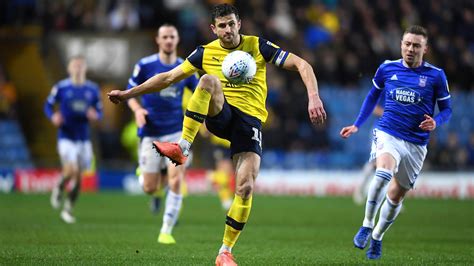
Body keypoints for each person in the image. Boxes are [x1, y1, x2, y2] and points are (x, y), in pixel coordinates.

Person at [108, 4, 326, 265]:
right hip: (221, 114)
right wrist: (127, 94)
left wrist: (313, 97)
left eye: (232, 24)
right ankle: (183, 147)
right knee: (208, 81)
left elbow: (302, 64)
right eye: (222, 25)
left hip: (250, 121)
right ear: (214, 29)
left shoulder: (257, 46)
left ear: (239, 23)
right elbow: (167, 78)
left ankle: (225, 252)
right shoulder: (204, 53)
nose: (228, 30)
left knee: (245, 186)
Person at [340, 25, 452, 260]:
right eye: (407, 44)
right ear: (401, 44)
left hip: (416, 144)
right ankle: (367, 225)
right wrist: (357, 124)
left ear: (425, 49)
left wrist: (436, 121)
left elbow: (447, 110)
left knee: (396, 196)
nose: (410, 49)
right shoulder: (387, 68)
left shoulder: (436, 75)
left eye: (416, 45)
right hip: (388, 132)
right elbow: (372, 97)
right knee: (382, 173)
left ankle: (378, 237)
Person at [125, 24, 198, 244]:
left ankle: (166, 230)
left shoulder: (185, 68)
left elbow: (199, 94)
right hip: (150, 132)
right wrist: (138, 110)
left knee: (177, 180)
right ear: (158, 40)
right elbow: (129, 92)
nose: (168, 40)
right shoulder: (145, 65)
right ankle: (151, 178)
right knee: (150, 187)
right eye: (164, 37)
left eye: (172, 37)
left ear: (177, 40)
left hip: (176, 131)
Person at [45, 56, 103, 224]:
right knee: (72, 170)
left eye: (81, 66)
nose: (78, 69)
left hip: (84, 139)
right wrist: (53, 116)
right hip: (66, 137)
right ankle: (60, 186)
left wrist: (96, 115)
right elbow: (47, 106)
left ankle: (68, 207)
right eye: (75, 66)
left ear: (85, 69)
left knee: (79, 178)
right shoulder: (61, 88)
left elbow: (100, 111)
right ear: (69, 69)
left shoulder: (92, 89)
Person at [353, 103, 384, 205]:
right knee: (375, 162)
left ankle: (392, 199)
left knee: (392, 165)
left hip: (395, 131)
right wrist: (392, 116)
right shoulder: (384, 87)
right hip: (380, 130)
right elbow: (374, 107)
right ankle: (359, 190)